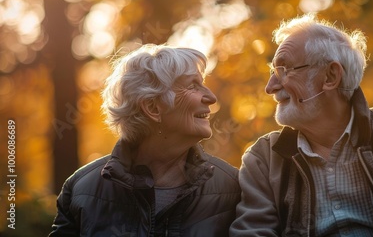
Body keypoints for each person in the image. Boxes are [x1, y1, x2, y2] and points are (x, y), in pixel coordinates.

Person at [230, 14, 373, 236]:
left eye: (284, 69)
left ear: (331, 77)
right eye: (273, 71)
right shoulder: (262, 160)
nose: (270, 86)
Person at [49, 44, 240, 236]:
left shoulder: (233, 188)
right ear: (153, 107)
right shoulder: (81, 190)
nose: (211, 97)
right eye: (192, 86)